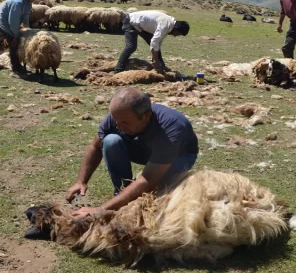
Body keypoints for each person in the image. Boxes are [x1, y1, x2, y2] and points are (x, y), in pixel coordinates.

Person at [65, 87, 199, 217]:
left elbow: (148, 179)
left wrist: (100, 209)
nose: (118, 126)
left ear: (146, 116)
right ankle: (122, 191)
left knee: (157, 197)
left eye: (125, 123)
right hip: (142, 146)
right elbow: (95, 147)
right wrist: (81, 181)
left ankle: (127, 199)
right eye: (115, 120)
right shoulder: (120, 116)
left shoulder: (171, 128)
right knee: (111, 141)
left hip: (178, 155)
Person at [114, 10, 190, 74]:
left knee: (156, 46)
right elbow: (155, 41)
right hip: (131, 22)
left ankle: (161, 66)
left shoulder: (169, 26)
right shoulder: (165, 24)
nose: (175, 36)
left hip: (141, 26)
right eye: (178, 33)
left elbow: (157, 43)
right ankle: (118, 69)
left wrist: (155, 57)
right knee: (131, 47)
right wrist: (156, 59)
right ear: (176, 28)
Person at [0, 0, 40, 73]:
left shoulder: (28, 3)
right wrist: (16, 35)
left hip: (13, 24)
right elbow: (13, 21)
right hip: (4, 24)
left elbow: (26, 17)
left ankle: (19, 64)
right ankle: (15, 67)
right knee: (14, 43)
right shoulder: (17, 3)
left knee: (21, 41)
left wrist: (27, 30)